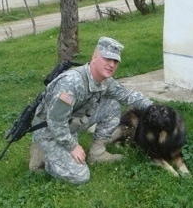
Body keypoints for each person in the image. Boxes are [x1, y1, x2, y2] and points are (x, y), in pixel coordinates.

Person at [29, 36, 153, 184]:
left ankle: (97, 154)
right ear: (94, 57)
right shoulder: (71, 83)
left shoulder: (105, 81)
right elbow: (55, 121)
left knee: (112, 105)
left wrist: (155, 108)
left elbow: (127, 95)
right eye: (107, 59)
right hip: (50, 131)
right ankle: (43, 155)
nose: (111, 64)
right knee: (80, 176)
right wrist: (72, 146)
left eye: (115, 61)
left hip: (72, 122)